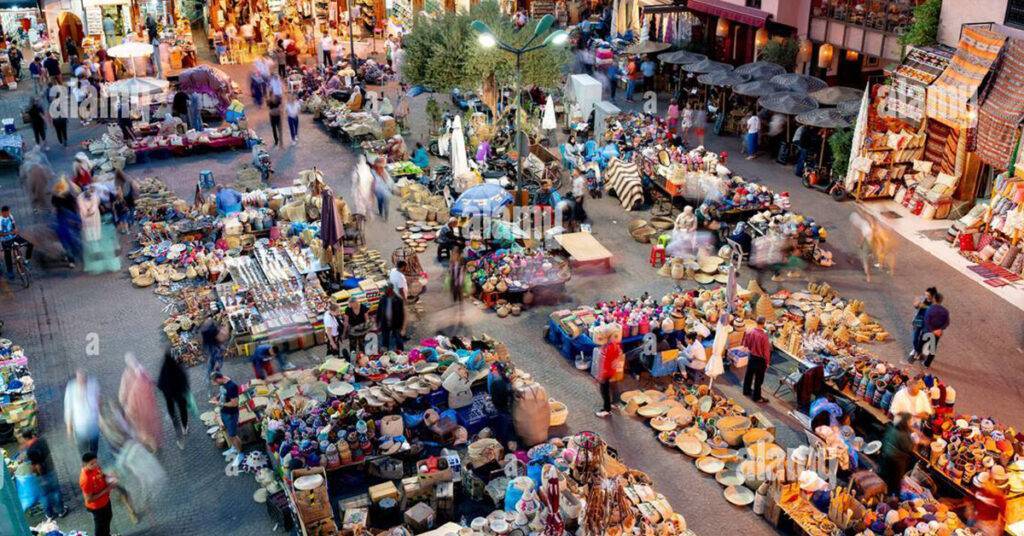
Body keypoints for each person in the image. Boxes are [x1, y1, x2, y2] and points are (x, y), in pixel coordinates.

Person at [19, 430, 67, 518]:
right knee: (55, 491)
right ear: (33, 435)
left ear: (25, 438)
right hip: (51, 469)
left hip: (42, 475)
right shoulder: (42, 441)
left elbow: (37, 466)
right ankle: (61, 511)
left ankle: (49, 514)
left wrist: (40, 476)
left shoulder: (30, 451)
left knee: (44, 495)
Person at [119, 353, 161, 452]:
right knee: (143, 426)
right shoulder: (132, 373)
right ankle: (151, 443)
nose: (133, 363)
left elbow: (149, 384)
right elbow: (124, 390)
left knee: (145, 426)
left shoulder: (139, 372)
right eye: (131, 362)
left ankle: (152, 444)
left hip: (143, 405)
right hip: (138, 405)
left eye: (133, 361)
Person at [157, 348, 190, 449]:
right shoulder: (177, 368)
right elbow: (184, 381)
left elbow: (160, 383)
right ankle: (184, 427)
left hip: (169, 395)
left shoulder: (164, 368)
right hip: (179, 394)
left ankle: (175, 423)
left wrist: (165, 390)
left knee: (172, 410)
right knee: (183, 410)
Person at [211, 372, 245, 467]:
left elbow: (234, 403)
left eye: (215, 383)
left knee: (233, 435)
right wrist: (217, 397)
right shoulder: (223, 382)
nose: (214, 385)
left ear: (218, 379)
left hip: (231, 414)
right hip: (224, 412)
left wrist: (219, 404)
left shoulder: (231, 386)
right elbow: (222, 391)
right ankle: (234, 448)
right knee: (227, 431)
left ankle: (241, 454)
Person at [879, 412, 917, 497]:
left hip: (886, 456)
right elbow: (909, 448)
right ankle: (893, 497)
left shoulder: (893, 428)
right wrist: (915, 442)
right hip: (896, 461)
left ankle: (882, 493)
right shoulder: (904, 435)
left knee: (886, 477)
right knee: (895, 482)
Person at [65, 369, 101, 455]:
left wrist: (100, 416)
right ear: (76, 378)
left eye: (84, 378)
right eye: (79, 378)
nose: (82, 381)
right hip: (80, 425)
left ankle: (94, 460)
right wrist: (69, 427)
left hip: (93, 423)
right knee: (83, 447)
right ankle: (85, 463)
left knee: (94, 445)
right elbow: (68, 408)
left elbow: (98, 398)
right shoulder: (71, 388)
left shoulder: (93, 383)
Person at [79, 452, 115, 536]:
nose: (95, 465)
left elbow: (101, 474)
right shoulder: (85, 480)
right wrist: (106, 490)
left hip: (105, 500)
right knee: (100, 527)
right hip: (97, 507)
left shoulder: (95, 467)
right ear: (85, 464)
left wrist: (108, 476)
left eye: (96, 462)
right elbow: (89, 499)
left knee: (108, 518)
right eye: (92, 464)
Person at [741, 316, 771, 403]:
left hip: (751, 357)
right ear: (764, 324)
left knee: (748, 375)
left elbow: (745, 344)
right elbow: (766, 352)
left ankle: (746, 391)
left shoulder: (750, 331)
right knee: (758, 379)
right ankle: (756, 397)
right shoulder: (764, 336)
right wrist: (767, 362)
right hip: (760, 360)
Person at [1, 205, 34, 278]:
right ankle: (10, 272)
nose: (9, 213)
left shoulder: (10, 216)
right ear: (3, 212)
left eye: (9, 212)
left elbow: (14, 225)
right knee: (7, 255)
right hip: (5, 240)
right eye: (7, 212)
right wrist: (10, 233)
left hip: (14, 237)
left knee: (30, 244)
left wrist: (16, 230)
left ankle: (27, 261)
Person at [595, 336, 623, 417]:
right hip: (613, 372)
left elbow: (605, 364)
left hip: (607, 373)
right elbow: (619, 353)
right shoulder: (615, 345)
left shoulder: (607, 349)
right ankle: (615, 403)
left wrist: (601, 376)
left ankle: (607, 410)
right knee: (614, 387)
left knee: (604, 391)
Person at [920, 290, 949, 368]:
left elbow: (926, 321)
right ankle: (927, 363)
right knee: (933, 347)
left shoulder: (930, 309)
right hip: (937, 333)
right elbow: (946, 322)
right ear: (941, 300)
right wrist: (940, 329)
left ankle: (919, 356)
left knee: (921, 343)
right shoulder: (945, 311)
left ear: (934, 299)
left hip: (928, 331)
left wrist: (932, 330)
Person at [376, 285, 406, 352]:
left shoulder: (399, 299)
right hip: (385, 323)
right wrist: (377, 322)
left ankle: (401, 353)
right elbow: (379, 311)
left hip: (396, 324)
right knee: (385, 340)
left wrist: (403, 328)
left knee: (398, 340)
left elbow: (403, 314)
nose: (386, 292)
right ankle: (386, 355)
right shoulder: (383, 299)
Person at [909, 287, 936, 361]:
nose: (926, 296)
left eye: (928, 295)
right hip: (918, 320)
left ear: (932, 296)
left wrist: (926, 307)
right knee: (915, 338)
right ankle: (915, 349)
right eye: (925, 294)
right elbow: (915, 305)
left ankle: (918, 352)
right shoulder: (921, 298)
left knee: (922, 339)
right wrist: (917, 304)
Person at [113, 169, 136, 234]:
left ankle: (125, 227)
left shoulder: (117, 183)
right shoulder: (127, 181)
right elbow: (131, 191)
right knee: (131, 212)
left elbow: (118, 194)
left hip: (122, 203)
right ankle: (130, 223)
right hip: (128, 200)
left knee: (122, 218)